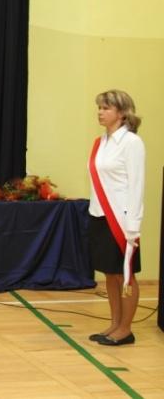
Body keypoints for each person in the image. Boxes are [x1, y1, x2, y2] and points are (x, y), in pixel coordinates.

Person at [86, 89, 145, 346]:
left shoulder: (131, 143)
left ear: (121, 113)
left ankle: (126, 329)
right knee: (110, 274)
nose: (100, 112)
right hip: (100, 214)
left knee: (126, 275)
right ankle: (114, 323)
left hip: (121, 219)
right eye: (99, 107)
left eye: (106, 108)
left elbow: (136, 184)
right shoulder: (102, 142)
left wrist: (133, 224)